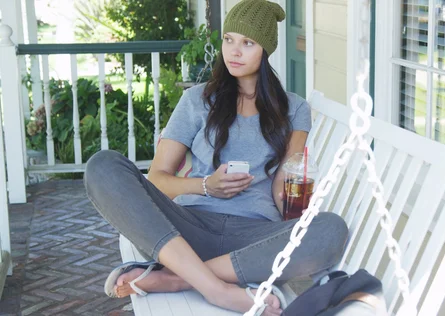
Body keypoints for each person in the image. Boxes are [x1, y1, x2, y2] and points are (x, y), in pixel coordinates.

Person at [84, 0, 348, 315]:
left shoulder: (294, 108)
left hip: (255, 240)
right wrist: (206, 186)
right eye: (229, 40)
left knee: (331, 229)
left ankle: (175, 279)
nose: (234, 51)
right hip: (184, 233)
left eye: (247, 43)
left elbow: (283, 184)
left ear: (265, 50)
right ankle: (217, 290)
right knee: (103, 165)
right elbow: (157, 179)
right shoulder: (196, 100)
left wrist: (298, 206)